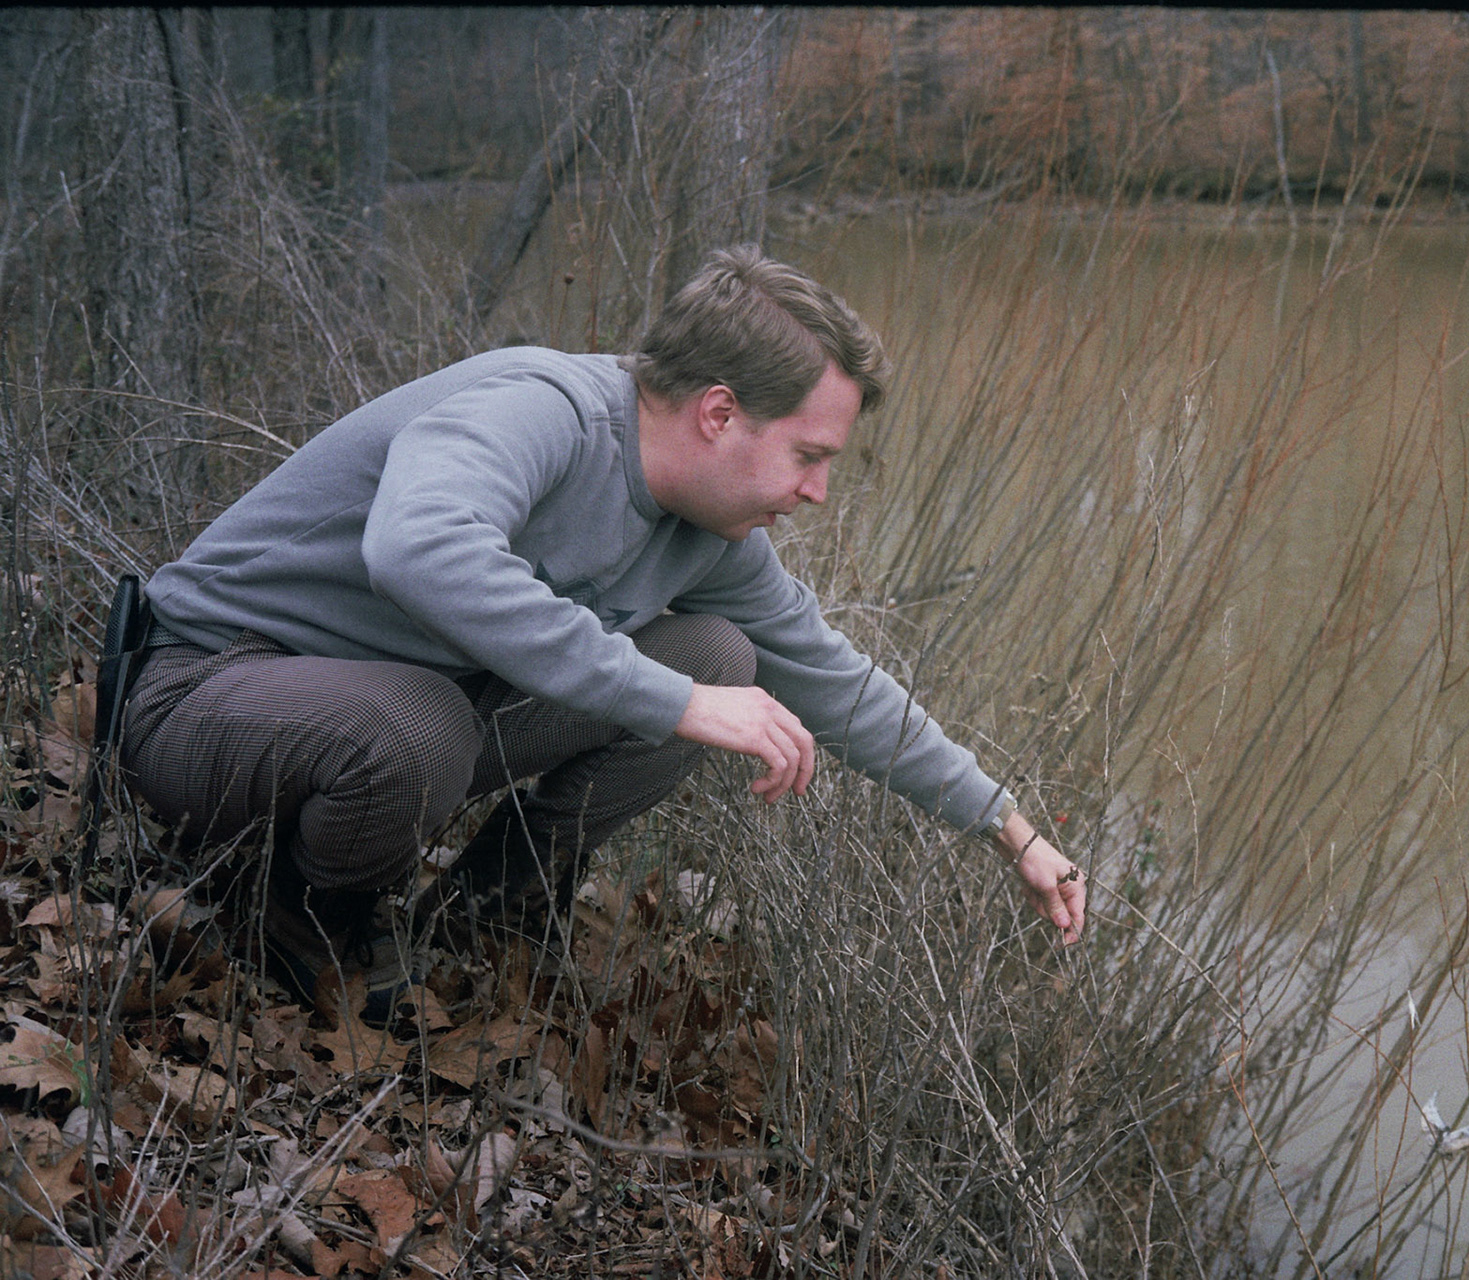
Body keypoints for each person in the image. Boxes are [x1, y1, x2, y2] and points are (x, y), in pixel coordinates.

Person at [120, 245, 1085, 1025]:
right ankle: (299, 918)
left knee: (719, 658)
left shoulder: (709, 536)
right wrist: (671, 700)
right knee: (435, 722)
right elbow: (414, 548)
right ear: (719, 413)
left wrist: (1009, 828)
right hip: (205, 694)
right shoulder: (544, 410)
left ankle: (481, 918)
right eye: (809, 455)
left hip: (394, 709)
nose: (818, 492)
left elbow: (837, 684)